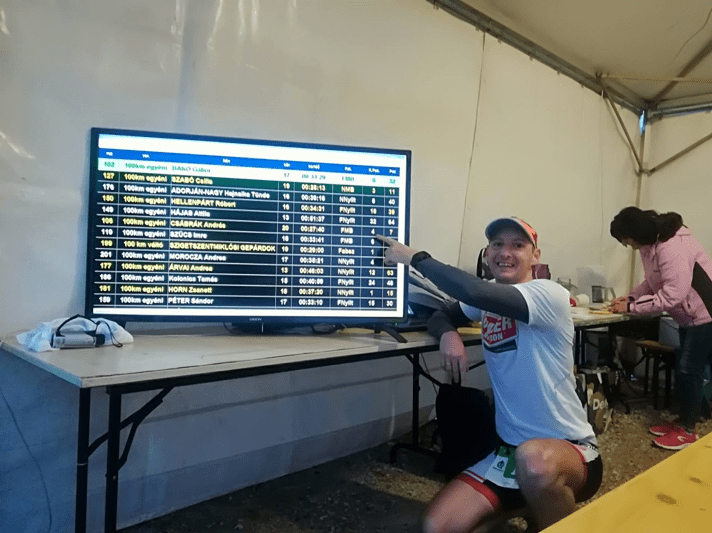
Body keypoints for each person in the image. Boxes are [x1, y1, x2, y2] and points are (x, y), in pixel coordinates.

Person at [377, 217, 602, 533]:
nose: (505, 253)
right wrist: (447, 333)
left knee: (534, 462)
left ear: (535, 256)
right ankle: (529, 504)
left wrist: (416, 258)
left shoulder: (547, 293)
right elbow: (442, 313)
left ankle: (546, 511)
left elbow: (474, 291)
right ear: (487, 253)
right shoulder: (488, 299)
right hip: (510, 453)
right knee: (436, 526)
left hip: (569, 450)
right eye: (497, 244)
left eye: (517, 245)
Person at [609, 206, 712, 450]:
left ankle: (687, 431)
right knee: (686, 369)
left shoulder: (672, 246)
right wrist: (631, 297)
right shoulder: (651, 244)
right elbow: (652, 281)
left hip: (704, 314)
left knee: (689, 370)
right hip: (689, 316)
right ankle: (688, 419)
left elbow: (673, 294)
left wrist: (632, 308)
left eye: (626, 240)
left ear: (635, 233)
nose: (627, 245)